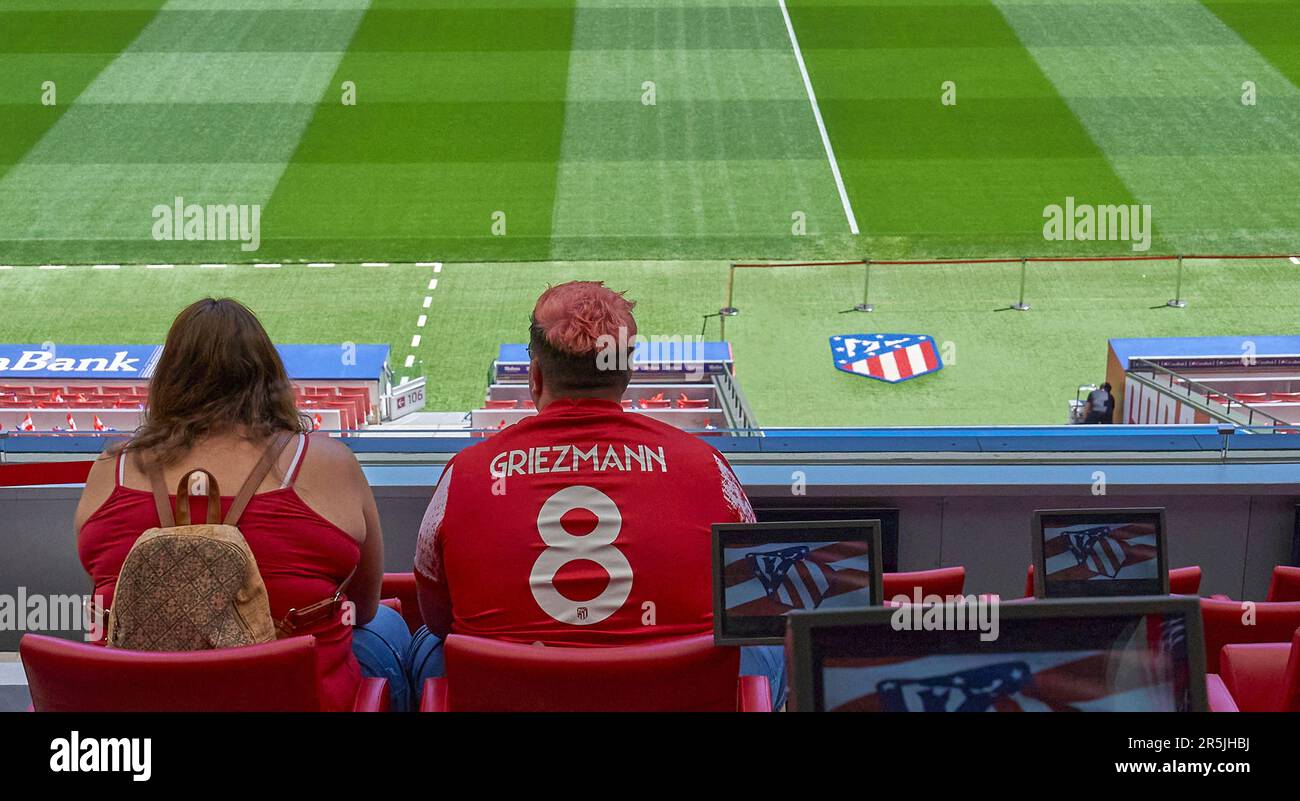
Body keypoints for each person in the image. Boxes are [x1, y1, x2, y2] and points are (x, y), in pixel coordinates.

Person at [408, 281, 784, 707]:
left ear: (534, 375)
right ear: (627, 374)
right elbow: (754, 599)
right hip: (669, 697)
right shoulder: (707, 468)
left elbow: (438, 619)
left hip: (513, 697)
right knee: (768, 643)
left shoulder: (465, 475)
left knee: (423, 644)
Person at [75, 298, 412, 711]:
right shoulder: (329, 463)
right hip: (298, 698)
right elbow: (363, 607)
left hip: (134, 714)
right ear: (268, 375)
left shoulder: (112, 469)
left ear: (167, 380)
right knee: (392, 628)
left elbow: (102, 594)